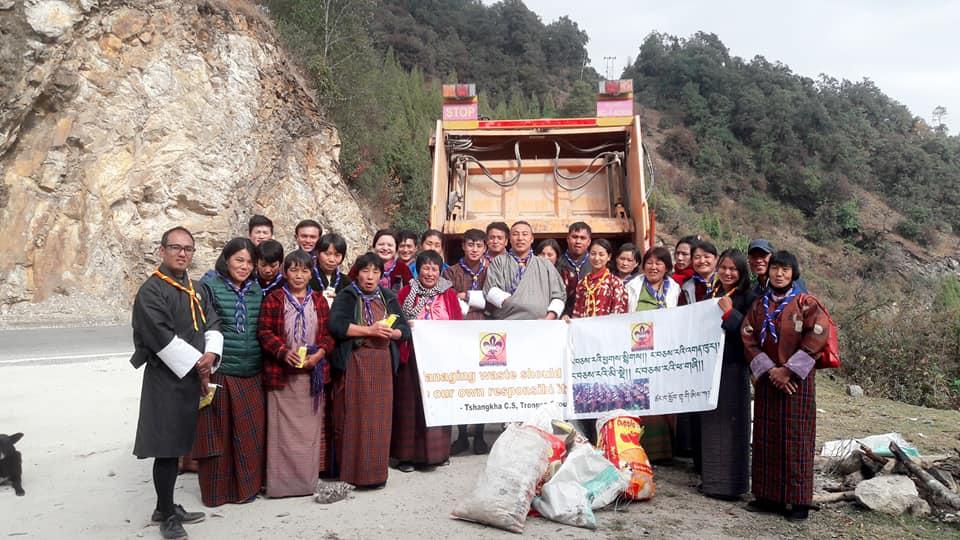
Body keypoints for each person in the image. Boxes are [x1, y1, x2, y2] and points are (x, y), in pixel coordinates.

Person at [130, 226, 222, 540]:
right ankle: (167, 516)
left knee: (179, 443)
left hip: (191, 376)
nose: (182, 253)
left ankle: (163, 505)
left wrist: (211, 353)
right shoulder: (151, 291)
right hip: (166, 379)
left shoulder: (196, 288)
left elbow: (212, 320)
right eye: (175, 247)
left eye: (188, 249)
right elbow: (159, 336)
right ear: (162, 251)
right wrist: (199, 363)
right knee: (166, 447)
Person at [741, 251, 829, 521]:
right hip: (769, 380)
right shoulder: (759, 306)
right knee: (767, 437)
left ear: (794, 274)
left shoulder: (807, 303)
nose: (779, 274)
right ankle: (767, 496)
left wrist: (788, 371)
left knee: (796, 439)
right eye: (775, 269)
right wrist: (770, 370)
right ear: (768, 272)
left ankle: (798, 501)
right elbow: (748, 336)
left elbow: (817, 337)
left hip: (796, 384)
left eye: (785, 270)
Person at [257, 250, 335, 498]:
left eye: (304, 270)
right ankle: (280, 486)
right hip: (282, 375)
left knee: (308, 433)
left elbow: (329, 335)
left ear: (311, 273)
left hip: (311, 376)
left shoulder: (319, 301)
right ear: (285, 272)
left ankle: (306, 483)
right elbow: (264, 332)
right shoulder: (274, 299)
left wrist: (320, 354)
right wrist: (282, 351)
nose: (299, 275)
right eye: (293, 270)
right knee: (281, 433)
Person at [329, 253, 411, 488]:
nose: (370, 277)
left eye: (375, 272)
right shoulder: (348, 295)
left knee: (380, 419)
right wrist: (370, 331)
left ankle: (376, 474)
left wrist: (391, 333)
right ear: (357, 273)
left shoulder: (387, 296)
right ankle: (354, 474)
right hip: (358, 361)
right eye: (366, 271)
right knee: (356, 417)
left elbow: (404, 329)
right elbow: (337, 326)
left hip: (382, 364)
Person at [194, 238, 264, 507]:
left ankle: (246, 489)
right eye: (239, 260)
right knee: (218, 437)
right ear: (226, 260)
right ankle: (217, 493)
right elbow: (201, 328)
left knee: (248, 435)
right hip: (221, 372)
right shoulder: (209, 288)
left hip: (251, 372)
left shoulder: (257, 291)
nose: (244, 267)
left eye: (249, 262)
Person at [393, 251, 462, 471]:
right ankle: (407, 456)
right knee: (410, 404)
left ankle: (436, 454)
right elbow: (397, 322)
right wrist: (408, 326)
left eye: (434, 269)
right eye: (425, 268)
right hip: (412, 355)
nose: (430, 273)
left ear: (440, 271)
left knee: (437, 403)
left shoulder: (448, 294)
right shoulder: (406, 292)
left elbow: (457, 322)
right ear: (418, 269)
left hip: (439, 358)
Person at [698, 249, 754, 500]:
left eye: (733, 269)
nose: (728, 273)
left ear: (742, 273)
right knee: (711, 425)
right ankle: (712, 481)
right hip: (711, 366)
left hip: (733, 367)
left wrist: (731, 313)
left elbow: (750, 333)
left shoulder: (748, 297)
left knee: (732, 427)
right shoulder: (713, 292)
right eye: (724, 268)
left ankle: (732, 486)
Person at [625, 246, 680, 461]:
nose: (653, 267)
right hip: (637, 348)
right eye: (649, 262)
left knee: (661, 398)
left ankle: (663, 452)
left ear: (666, 267)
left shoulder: (674, 288)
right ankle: (638, 447)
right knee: (639, 397)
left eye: (659, 263)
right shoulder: (632, 286)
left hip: (663, 352)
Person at [443, 229, 490, 454]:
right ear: (463, 246)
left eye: (479, 245)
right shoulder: (451, 271)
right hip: (459, 332)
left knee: (482, 383)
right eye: (470, 244)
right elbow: (448, 299)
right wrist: (472, 299)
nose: (474, 249)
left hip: (484, 331)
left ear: (485, 248)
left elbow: (494, 300)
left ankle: (479, 434)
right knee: (461, 382)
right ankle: (461, 435)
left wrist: (467, 297)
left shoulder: (491, 270)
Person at [484, 221, 566, 320]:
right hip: (506, 323)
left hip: (540, 324)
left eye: (525, 234)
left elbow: (559, 296)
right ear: (510, 239)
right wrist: (521, 304)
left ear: (531, 239)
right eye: (515, 234)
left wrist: (548, 319)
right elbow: (491, 291)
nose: (520, 238)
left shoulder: (546, 264)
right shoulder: (499, 261)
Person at [568, 239, 628, 318]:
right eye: (593, 254)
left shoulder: (615, 283)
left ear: (609, 257)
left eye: (601, 254)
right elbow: (577, 313)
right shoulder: (582, 283)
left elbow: (619, 315)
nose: (596, 258)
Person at [557, 222, 592, 318]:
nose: (578, 241)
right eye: (575, 237)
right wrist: (563, 314)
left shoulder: (595, 264)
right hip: (564, 318)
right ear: (568, 239)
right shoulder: (558, 264)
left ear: (589, 241)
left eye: (582, 238)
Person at [311, 233, 352, 307]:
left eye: (337, 255)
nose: (332, 260)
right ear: (317, 253)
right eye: (327, 254)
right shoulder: (308, 277)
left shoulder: (346, 281)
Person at [680, 240, 719, 305]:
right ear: (691, 261)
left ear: (716, 259)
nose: (702, 261)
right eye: (697, 257)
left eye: (707, 257)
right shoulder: (686, 287)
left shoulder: (723, 282)